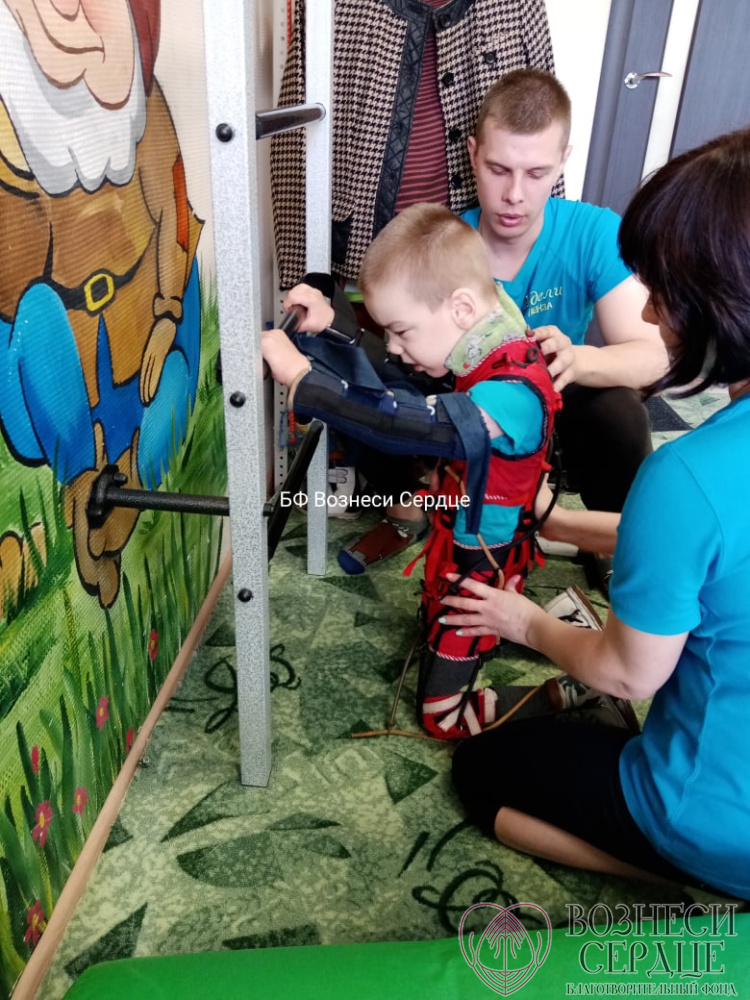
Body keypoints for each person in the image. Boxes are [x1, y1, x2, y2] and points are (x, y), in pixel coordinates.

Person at [445, 128, 750, 898]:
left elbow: (627, 673)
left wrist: (524, 623)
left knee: (482, 773)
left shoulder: (686, 475)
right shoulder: (699, 490)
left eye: (664, 291)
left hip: (718, 821)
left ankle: (682, 877)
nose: (648, 310)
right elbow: (714, 554)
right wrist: (556, 521)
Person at [341, 69, 668, 587]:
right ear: (473, 155)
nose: (515, 194)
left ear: (563, 161)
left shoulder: (593, 231)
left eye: (536, 173)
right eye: (498, 169)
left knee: (620, 412)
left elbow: (653, 354)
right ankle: (410, 506)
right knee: (367, 374)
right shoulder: (443, 245)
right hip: (460, 404)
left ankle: (605, 536)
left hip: (550, 404)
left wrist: (577, 359)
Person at [263, 203, 561, 739]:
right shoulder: (490, 325)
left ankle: (571, 691)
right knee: (435, 627)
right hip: (457, 531)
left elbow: (402, 424)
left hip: (480, 564)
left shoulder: (512, 397)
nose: (396, 347)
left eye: (402, 330)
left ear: (461, 308)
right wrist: (331, 328)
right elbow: (396, 379)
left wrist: (305, 380)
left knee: (441, 717)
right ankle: (527, 626)